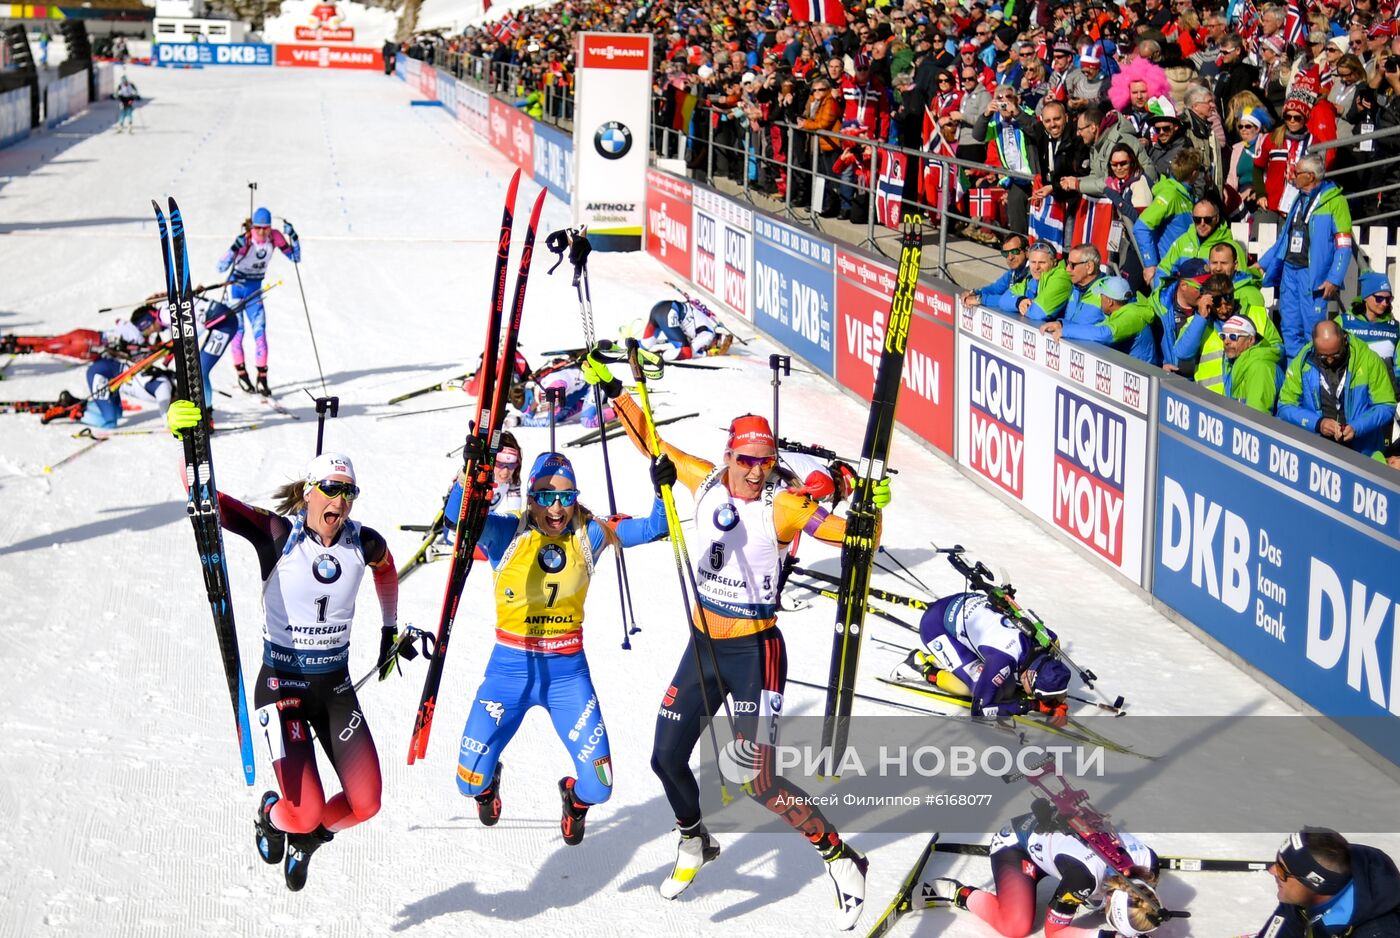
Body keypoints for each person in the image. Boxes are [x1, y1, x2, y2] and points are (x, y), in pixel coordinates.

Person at [582, 353, 886, 929]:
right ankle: (694, 840)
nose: (754, 471)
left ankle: (842, 859)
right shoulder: (704, 481)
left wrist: (872, 516)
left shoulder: (787, 505)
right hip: (703, 647)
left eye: (765, 462)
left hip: (755, 654)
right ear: (729, 457)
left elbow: (852, 537)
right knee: (665, 757)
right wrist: (614, 387)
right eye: (746, 460)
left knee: (758, 780)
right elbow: (650, 439)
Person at [160, 430, 399, 892]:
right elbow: (208, 498)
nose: (341, 501)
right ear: (309, 492)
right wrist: (185, 439)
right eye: (331, 489)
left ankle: (309, 841)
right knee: (301, 810)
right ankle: (272, 817)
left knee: (366, 803)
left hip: (333, 690)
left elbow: (386, 569)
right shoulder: (277, 534)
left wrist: (389, 627)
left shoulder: (362, 542)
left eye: (348, 491)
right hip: (281, 688)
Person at [453, 451, 669, 844]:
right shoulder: (506, 533)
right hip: (509, 673)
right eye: (546, 496)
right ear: (530, 496)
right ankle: (487, 784)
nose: (557, 507)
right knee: (467, 783)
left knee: (599, 786)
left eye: (567, 497)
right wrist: (471, 474)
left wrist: (662, 489)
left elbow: (656, 527)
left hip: (567, 677)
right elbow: (459, 515)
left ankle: (574, 800)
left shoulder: (589, 534)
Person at [922, 800, 1164, 938]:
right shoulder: (1084, 879)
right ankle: (956, 893)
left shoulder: (1149, 863)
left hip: (1060, 848)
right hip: (1018, 847)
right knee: (1015, 926)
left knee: (1091, 896)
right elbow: (1054, 933)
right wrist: (1104, 936)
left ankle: (1093, 897)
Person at [1259, 156, 1355, 359]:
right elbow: (1285, 237)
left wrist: (1334, 278)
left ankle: (1312, 374)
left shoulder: (1335, 202)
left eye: (1296, 172)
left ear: (1310, 176)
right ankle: (1294, 375)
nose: (1291, 176)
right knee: (1289, 326)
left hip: (1312, 276)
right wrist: (1263, 264)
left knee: (1313, 330)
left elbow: (1344, 246)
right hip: (1290, 272)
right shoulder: (1298, 198)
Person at [1279, 320, 1398, 455]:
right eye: (1323, 356)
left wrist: (1356, 428)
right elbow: (1285, 406)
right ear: (1314, 346)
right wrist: (1318, 423)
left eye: (1336, 355)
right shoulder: (1302, 363)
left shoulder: (1369, 360)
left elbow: (1386, 405)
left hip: (1362, 451)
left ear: (1344, 340)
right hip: (1316, 450)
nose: (1330, 361)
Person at [217, 207, 301, 396]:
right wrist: (234, 248)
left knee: (260, 335)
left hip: (254, 291)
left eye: (266, 228)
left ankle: (262, 378)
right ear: (252, 226)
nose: (262, 232)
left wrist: (293, 237)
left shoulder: (275, 237)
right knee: (238, 333)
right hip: (236, 290)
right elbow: (220, 267)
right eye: (258, 228)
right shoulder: (246, 239)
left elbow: (296, 257)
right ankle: (242, 373)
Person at [1256, 828, 1400, 938]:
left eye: (1282, 871)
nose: (1272, 871)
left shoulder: (1379, 931)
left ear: (1315, 883)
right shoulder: (1300, 895)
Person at [1175, 273, 1283, 394]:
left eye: (1228, 303)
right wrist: (1201, 318)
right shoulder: (1196, 324)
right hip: (1211, 402)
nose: (1224, 310)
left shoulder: (1257, 314)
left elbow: (1278, 350)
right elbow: (1182, 353)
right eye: (1218, 305)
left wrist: (1251, 355)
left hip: (1248, 397)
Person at [1042, 276, 1178, 366]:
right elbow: (1097, 327)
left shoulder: (1133, 316)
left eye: (1101, 296)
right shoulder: (1122, 312)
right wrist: (1062, 324)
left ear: (1109, 301)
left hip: (1139, 381)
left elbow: (1105, 333)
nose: (1100, 300)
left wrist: (1066, 330)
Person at [1133, 147, 1203, 287]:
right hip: (1168, 273)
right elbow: (1141, 227)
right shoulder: (1170, 194)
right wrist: (1150, 264)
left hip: (1184, 269)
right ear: (1194, 174)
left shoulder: (1187, 194)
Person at [1155, 195, 1246, 286]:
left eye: (1208, 220)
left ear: (1217, 218)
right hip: (1184, 297)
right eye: (1197, 219)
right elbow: (1163, 270)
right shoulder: (1182, 241)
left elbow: (1241, 282)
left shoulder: (1231, 248)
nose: (1202, 224)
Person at [1339, 272, 1399, 395]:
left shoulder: (1395, 327)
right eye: (1379, 298)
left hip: (1382, 393)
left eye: (1388, 299)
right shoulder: (1343, 322)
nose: (1384, 303)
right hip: (1350, 392)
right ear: (1366, 297)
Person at [1218, 315, 1284, 414]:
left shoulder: (1261, 369)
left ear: (1250, 340)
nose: (1227, 342)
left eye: (1233, 336)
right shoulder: (1234, 363)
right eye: (1223, 336)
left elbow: (1256, 417)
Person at [641, 296, 732, 360]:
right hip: (669, 313)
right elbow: (691, 350)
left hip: (660, 307)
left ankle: (632, 345)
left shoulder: (708, 327)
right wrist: (705, 354)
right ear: (716, 343)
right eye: (715, 350)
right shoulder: (709, 335)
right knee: (686, 351)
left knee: (645, 345)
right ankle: (657, 356)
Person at [961, 234, 1030, 310]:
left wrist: (980, 299)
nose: (1010, 257)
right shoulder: (1013, 272)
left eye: (1014, 251)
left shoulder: (1033, 274)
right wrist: (974, 293)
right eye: (1005, 253)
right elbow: (994, 289)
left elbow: (1009, 300)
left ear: (1026, 251)